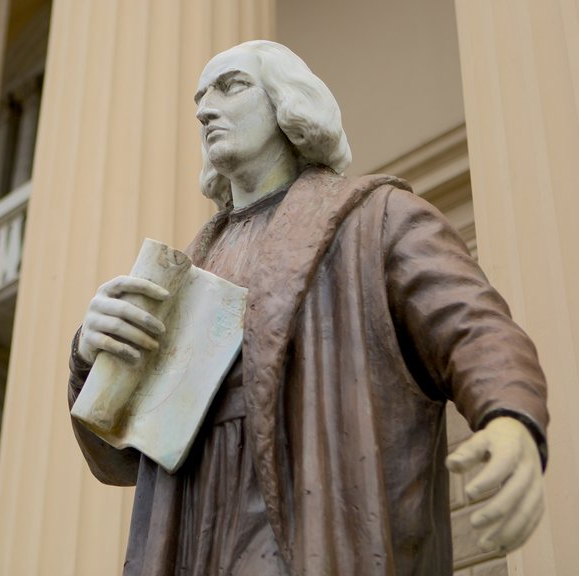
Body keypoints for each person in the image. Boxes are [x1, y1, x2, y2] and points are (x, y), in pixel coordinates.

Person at [68, 40, 548, 575]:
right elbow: (120, 459)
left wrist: (510, 416)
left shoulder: (376, 220)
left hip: (309, 512)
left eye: (231, 87)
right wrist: (94, 357)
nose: (205, 109)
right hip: (196, 527)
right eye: (200, 98)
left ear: (287, 103)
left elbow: (472, 327)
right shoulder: (189, 270)